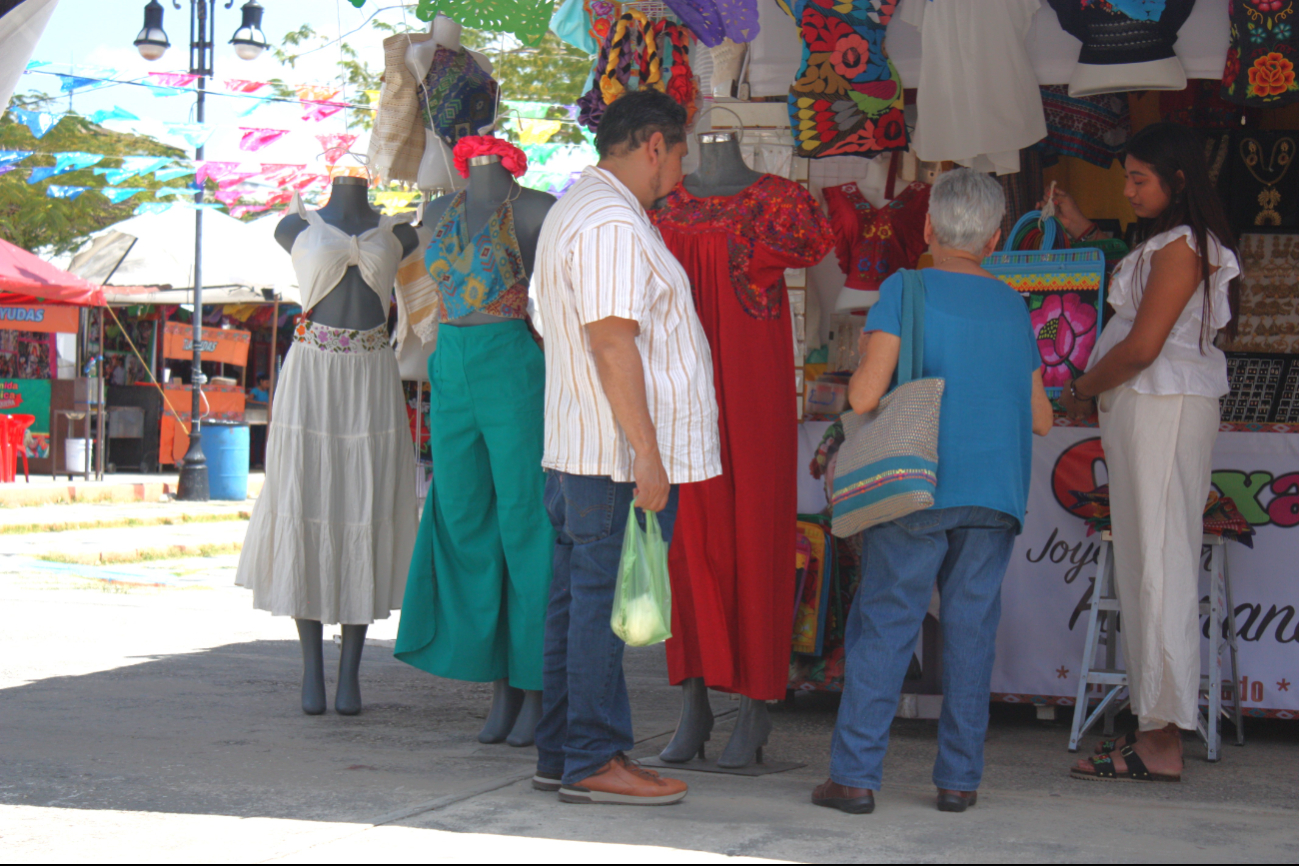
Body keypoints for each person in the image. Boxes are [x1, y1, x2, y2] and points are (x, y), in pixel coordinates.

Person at [814, 168, 1054, 816]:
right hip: (994, 489)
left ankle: (856, 777)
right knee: (972, 631)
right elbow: (1041, 417)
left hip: (918, 483)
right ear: (996, 236)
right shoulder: (1011, 303)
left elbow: (864, 394)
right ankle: (958, 781)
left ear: (926, 228)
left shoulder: (904, 288)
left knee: (887, 621)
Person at [529, 89, 722, 806]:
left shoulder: (577, 208)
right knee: (599, 609)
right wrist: (646, 450)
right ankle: (591, 756)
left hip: (581, 445)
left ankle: (564, 751)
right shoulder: (610, 219)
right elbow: (612, 339)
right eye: (678, 153)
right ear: (651, 146)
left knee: (576, 606)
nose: (680, 169)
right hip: (608, 455)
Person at [1058, 122, 1241, 783]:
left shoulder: (1182, 248)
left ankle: (1159, 738)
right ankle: (1151, 727)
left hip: (1160, 408)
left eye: (1140, 179)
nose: (1128, 189)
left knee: (1156, 566)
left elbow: (1141, 347)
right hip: (1146, 409)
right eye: (1127, 177)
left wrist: (1079, 389)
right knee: (1146, 564)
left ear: (1178, 180)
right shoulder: (1168, 244)